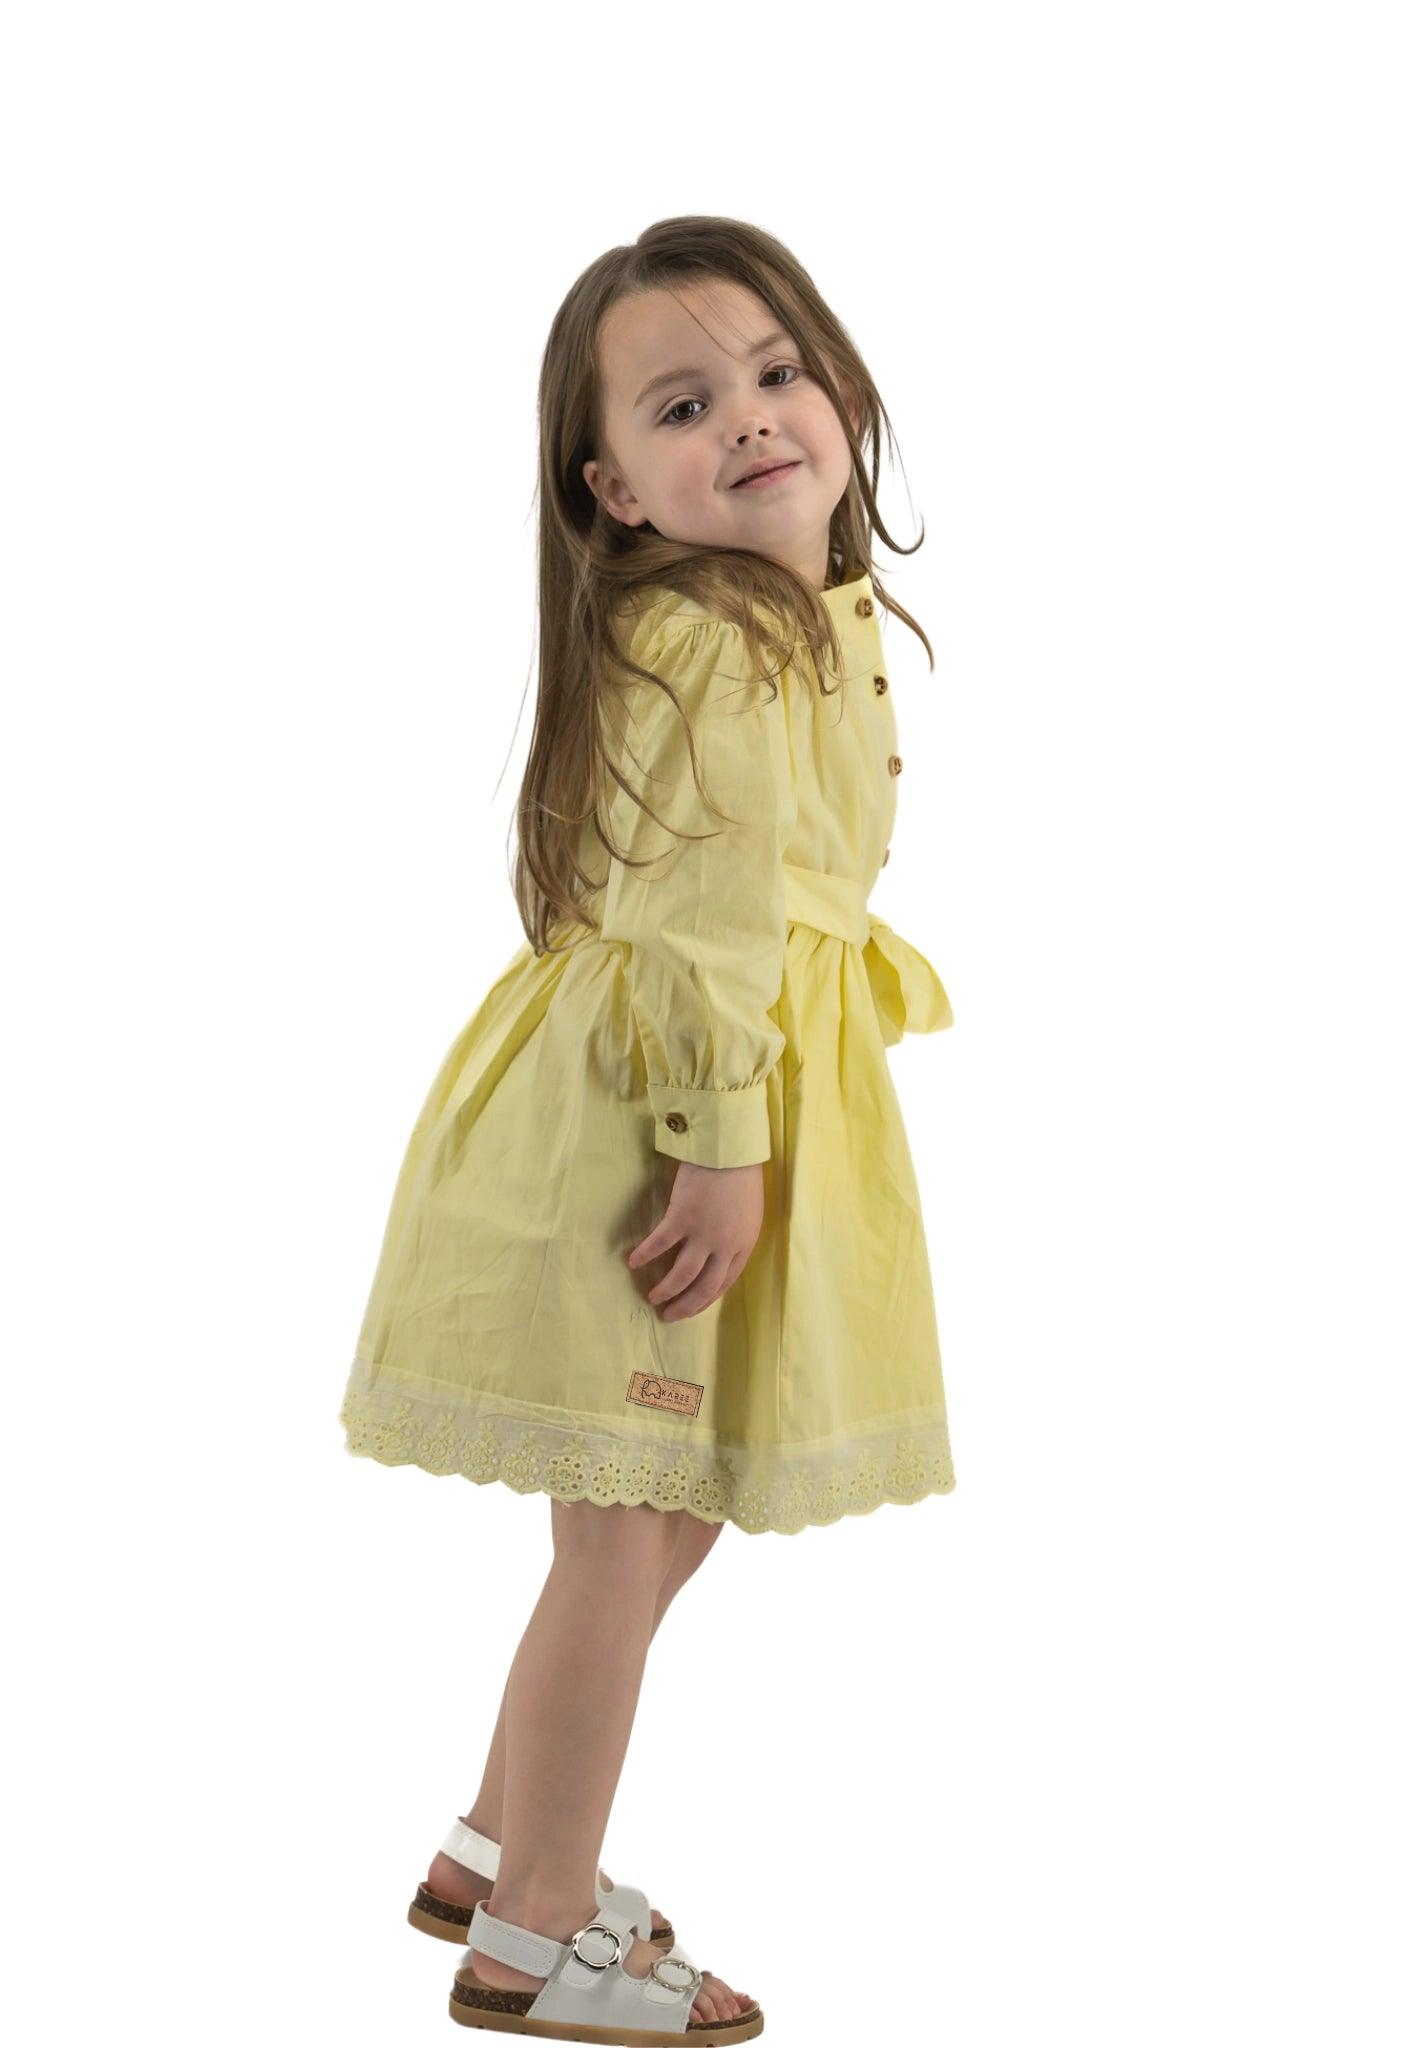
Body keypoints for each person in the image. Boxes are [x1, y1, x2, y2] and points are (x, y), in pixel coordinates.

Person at [337, 215, 958, 2043]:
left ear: (842, 390)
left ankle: (499, 1838)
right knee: (627, 1526)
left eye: (779, 374)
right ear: (613, 487)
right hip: (658, 1119)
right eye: (689, 404)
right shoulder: (719, 644)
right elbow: (701, 917)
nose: (753, 419)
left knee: (648, 1521)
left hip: (692, 1088)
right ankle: (536, 1933)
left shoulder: (787, 619)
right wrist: (720, 1138)